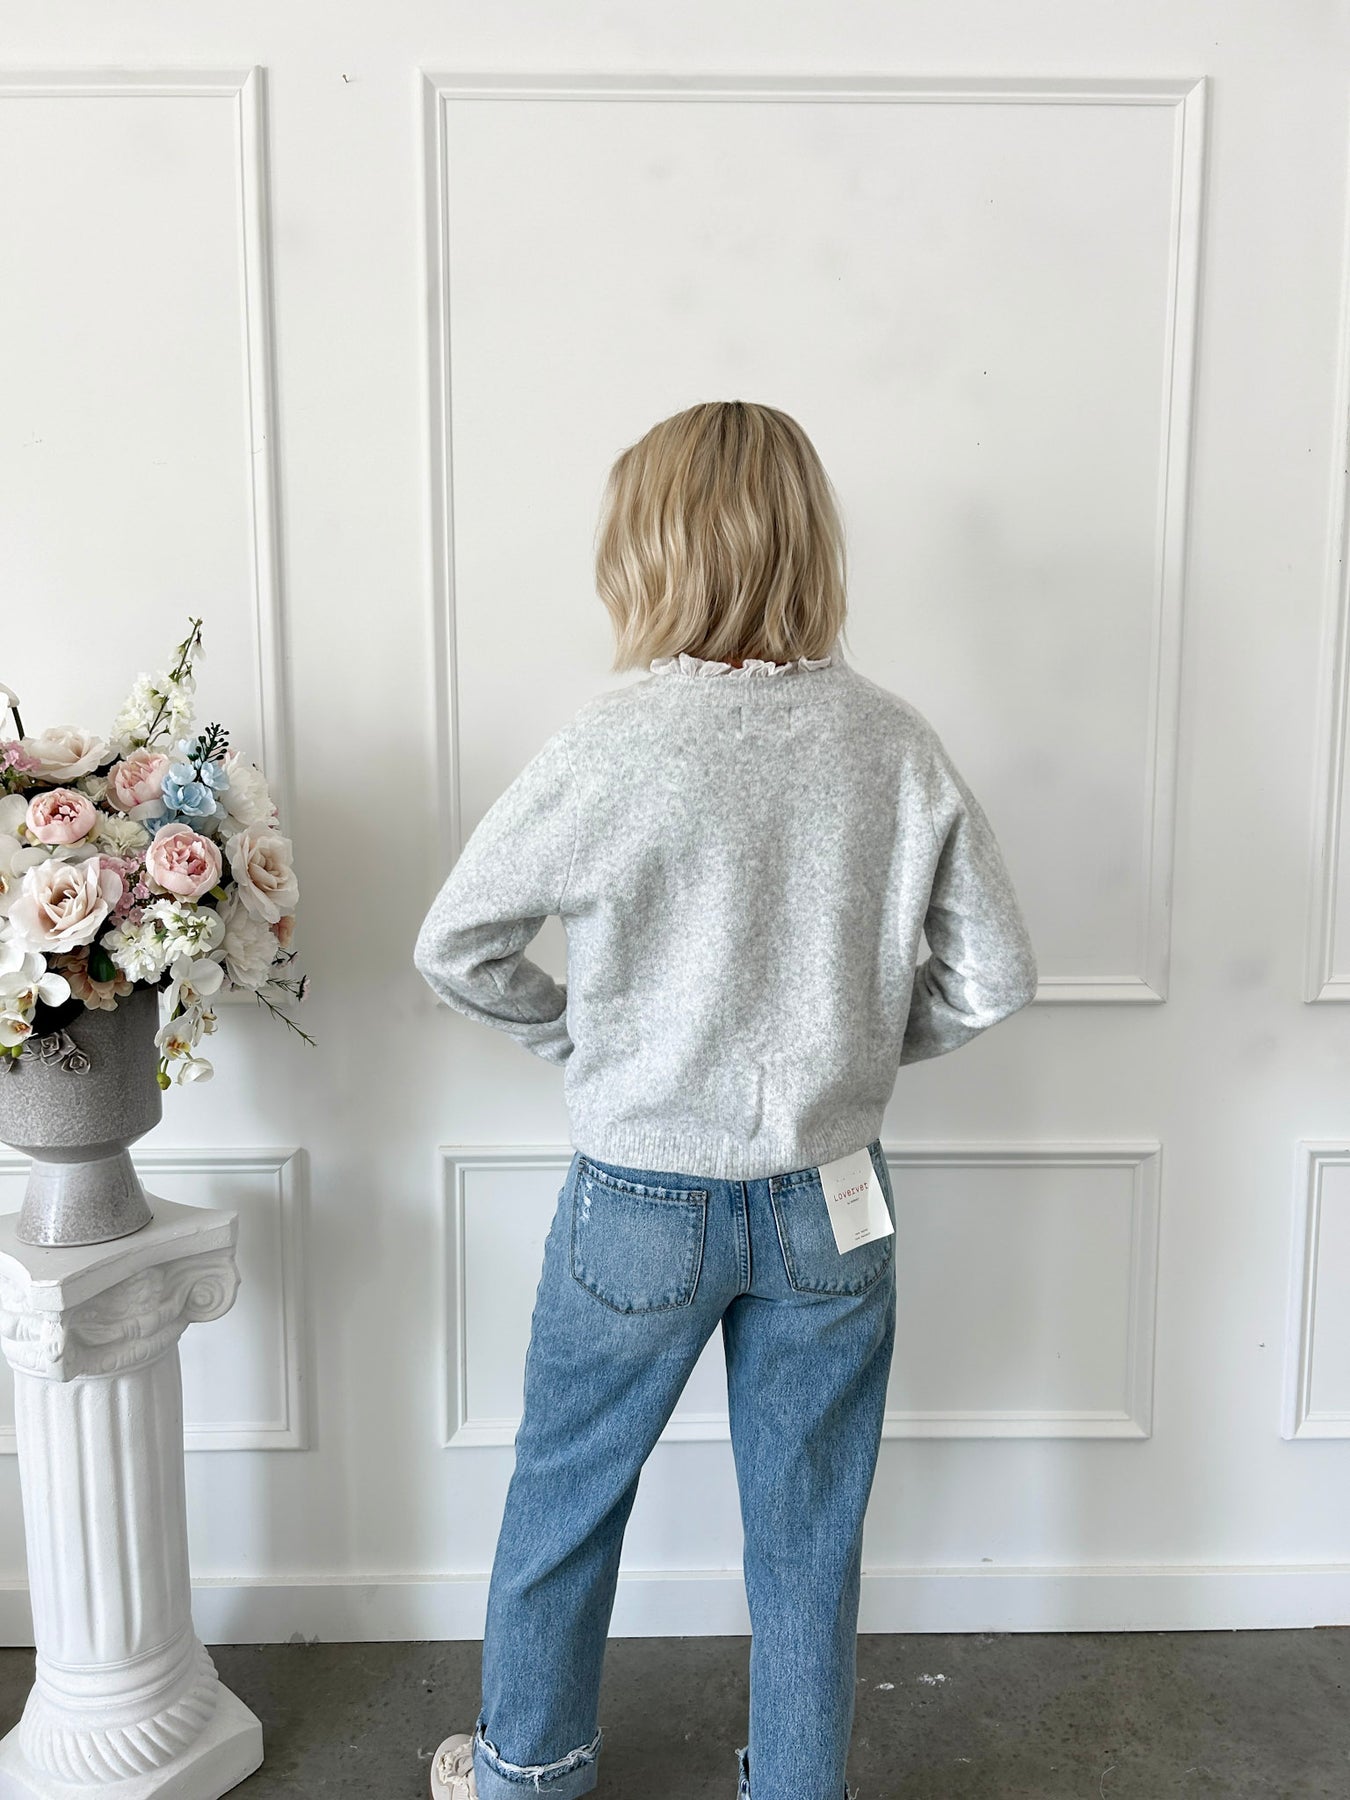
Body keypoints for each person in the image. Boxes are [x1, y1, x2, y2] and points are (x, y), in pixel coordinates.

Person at [412, 400, 1039, 1800]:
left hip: (636, 1202)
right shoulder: (890, 743)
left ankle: (525, 1776)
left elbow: (457, 947)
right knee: (809, 1538)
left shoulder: (613, 742)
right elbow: (994, 977)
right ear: (809, 543)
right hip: (832, 1196)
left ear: (647, 551)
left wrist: (584, 1044)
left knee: (566, 1498)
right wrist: (854, 1053)